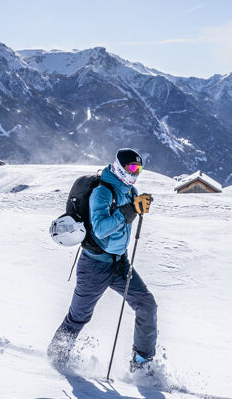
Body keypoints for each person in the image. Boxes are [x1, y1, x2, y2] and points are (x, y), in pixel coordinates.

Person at [48, 148, 156, 373]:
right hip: (95, 265)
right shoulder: (102, 192)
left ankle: (142, 364)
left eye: (139, 169)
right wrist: (130, 209)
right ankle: (56, 357)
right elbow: (100, 228)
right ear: (118, 166)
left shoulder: (130, 191)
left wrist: (135, 207)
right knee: (79, 317)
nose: (136, 173)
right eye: (132, 168)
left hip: (120, 263)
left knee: (146, 305)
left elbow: (125, 219)